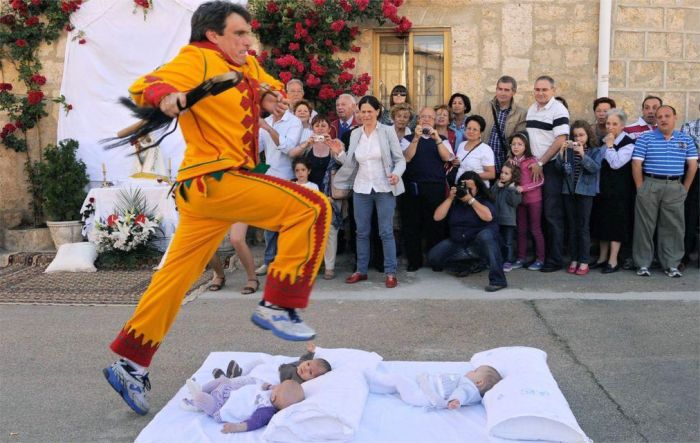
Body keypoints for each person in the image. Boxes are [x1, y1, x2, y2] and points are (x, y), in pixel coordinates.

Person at [103, 2, 331, 416]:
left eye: (248, 33)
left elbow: (265, 83)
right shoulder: (198, 58)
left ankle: (132, 364)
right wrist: (165, 97)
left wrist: (270, 97)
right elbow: (146, 85)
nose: (248, 40)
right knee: (312, 206)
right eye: (239, 33)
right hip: (216, 179)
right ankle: (279, 303)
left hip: (202, 190)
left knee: (175, 279)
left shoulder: (243, 63)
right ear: (213, 35)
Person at [334, 95, 406, 288]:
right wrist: (339, 153)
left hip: (384, 187)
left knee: (386, 231)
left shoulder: (387, 131)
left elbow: (400, 159)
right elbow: (351, 162)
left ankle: (390, 272)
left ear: (377, 112)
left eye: (369, 111)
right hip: (361, 188)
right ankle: (361, 270)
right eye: (362, 112)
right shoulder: (355, 134)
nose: (365, 115)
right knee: (361, 232)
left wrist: (396, 174)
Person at [632, 105, 698, 277]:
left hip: (675, 186)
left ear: (675, 117)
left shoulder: (685, 139)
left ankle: (671, 264)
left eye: (667, 116)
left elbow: (692, 165)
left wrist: (684, 189)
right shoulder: (645, 138)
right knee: (644, 226)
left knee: (673, 226)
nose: (663, 119)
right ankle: (642, 263)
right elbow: (636, 163)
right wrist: (640, 188)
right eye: (659, 116)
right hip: (650, 184)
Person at [428, 171, 507, 292]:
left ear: (478, 188)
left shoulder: (484, 201)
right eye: (464, 187)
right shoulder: (455, 203)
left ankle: (498, 280)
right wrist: (450, 198)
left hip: (479, 245)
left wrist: (471, 199)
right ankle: (471, 264)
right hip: (458, 243)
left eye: (470, 188)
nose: (467, 191)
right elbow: (437, 217)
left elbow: (488, 217)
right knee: (433, 257)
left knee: (486, 235)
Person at [399, 106, 455, 272]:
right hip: (412, 187)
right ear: (418, 120)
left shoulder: (442, 139)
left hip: (435, 188)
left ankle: (435, 260)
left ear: (434, 121)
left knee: (435, 225)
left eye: (430, 117)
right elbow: (407, 157)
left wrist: (436, 139)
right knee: (411, 225)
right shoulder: (407, 139)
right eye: (423, 117)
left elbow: (447, 157)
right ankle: (414, 261)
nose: (426, 120)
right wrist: (416, 138)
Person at [255, 90, 304, 276]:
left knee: (286, 225)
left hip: (287, 178)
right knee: (269, 224)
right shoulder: (266, 121)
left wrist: (268, 129)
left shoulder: (294, 122)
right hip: (269, 178)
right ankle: (269, 261)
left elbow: (288, 148)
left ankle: (286, 262)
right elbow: (258, 148)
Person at [290, 115, 344, 279]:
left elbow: (345, 163)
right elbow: (293, 155)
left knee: (330, 231)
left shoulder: (336, 143)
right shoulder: (308, 145)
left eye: (323, 126)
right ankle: (313, 263)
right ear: (312, 129)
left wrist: (333, 146)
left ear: (329, 128)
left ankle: (329, 266)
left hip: (330, 195)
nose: (320, 129)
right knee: (310, 231)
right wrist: (307, 143)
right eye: (317, 126)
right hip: (310, 194)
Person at [525, 75, 570, 272]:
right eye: (537, 89)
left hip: (549, 167)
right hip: (534, 167)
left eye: (544, 89)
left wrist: (541, 162)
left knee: (552, 214)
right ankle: (540, 256)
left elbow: (561, 139)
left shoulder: (558, 110)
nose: (540, 93)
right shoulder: (532, 109)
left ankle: (555, 259)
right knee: (537, 214)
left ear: (553, 91)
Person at [555, 121, 604, 276]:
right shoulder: (569, 151)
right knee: (572, 227)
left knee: (583, 227)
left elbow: (594, 168)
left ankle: (584, 260)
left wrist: (583, 154)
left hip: (585, 193)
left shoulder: (594, 151)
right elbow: (559, 169)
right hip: (569, 192)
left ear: (588, 135)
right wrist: (561, 152)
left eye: (581, 135)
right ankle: (574, 259)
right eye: (575, 135)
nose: (578, 138)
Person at [590, 109, 635, 273]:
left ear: (622, 126)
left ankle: (613, 261)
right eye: (608, 123)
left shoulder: (628, 143)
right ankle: (602, 258)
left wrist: (609, 146)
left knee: (616, 225)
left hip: (619, 191)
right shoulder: (605, 140)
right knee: (602, 223)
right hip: (603, 189)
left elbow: (616, 163)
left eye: (615, 124)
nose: (610, 127)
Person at [186, 378, 305, 433]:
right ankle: (201, 389)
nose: (276, 385)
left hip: (222, 407)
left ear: (274, 397)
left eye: (278, 387)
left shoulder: (266, 411)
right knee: (224, 380)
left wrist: (236, 427)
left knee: (201, 398)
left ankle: (196, 400)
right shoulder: (271, 393)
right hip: (228, 392)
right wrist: (268, 386)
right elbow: (263, 385)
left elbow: (254, 423)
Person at [366, 365, 502, 409]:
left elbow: (461, 393)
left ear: (479, 382)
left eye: (475, 371)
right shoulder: (469, 387)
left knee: (399, 379)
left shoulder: (469, 387)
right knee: (400, 385)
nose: (470, 371)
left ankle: (373, 377)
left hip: (423, 396)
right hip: (423, 392)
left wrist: (456, 400)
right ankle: (374, 387)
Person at [474, 75, 527, 174]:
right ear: (496, 89)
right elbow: (473, 132)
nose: (502, 93)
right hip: (482, 161)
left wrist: (511, 157)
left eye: (506, 90)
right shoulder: (482, 107)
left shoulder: (521, 113)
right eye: (500, 89)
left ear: (514, 92)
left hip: (504, 164)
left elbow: (519, 139)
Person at [508, 132, 545, 270]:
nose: (516, 147)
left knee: (535, 229)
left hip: (534, 200)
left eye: (520, 144)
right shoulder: (511, 161)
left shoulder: (532, 161)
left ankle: (540, 259)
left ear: (526, 146)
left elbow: (540, 181)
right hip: (519, 201)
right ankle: (520, 258)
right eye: (513, 144)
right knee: (521, 230)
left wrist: (524, 188)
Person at [491, 162, 522, 272]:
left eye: (506, 173)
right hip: (496, 219)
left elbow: (514, 202)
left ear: (513, 176)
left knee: (508, 243)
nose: (502, 175)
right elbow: (491, 197)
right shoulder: (497, 184)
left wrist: (511, 189)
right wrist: (496, 187)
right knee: (497, 241)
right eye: (502, 172)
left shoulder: (514, 188)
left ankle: (508, 261)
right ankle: (497, 260)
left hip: (508, 221)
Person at [679, 106, 700, 270]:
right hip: (694, 174)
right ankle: (683, 256)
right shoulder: (688, 126)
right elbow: (685, 152)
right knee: (689, 216)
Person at [452, 115, 496, 186]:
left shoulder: (486, 149)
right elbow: (461, 165)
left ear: (480, 133)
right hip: (460, 186)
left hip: (477, 188)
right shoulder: (461, 145)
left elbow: (491, 174)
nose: (471, 131)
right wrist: (456, 163)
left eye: (475, 129)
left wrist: (471, 176)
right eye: (469, 128)